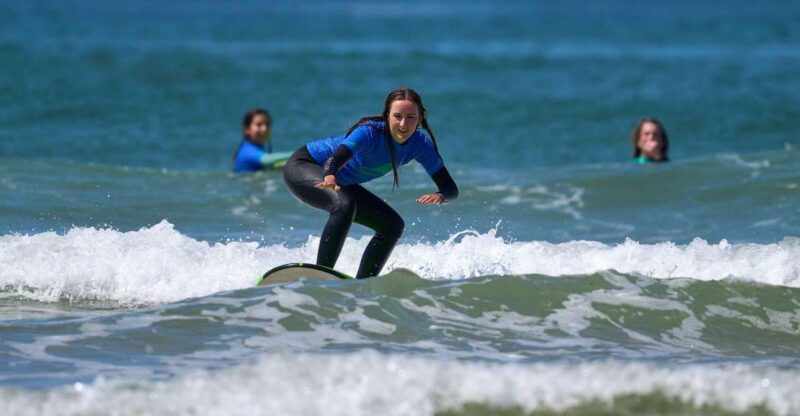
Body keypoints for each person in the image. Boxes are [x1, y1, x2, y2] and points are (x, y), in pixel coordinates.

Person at [283, 87, 458, 279]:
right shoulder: (369, 132)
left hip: (338, 181)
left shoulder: (420, 144)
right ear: (387, 116)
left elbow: (450, 189)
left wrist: (440, 196)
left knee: (392, 225)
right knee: (345, 204)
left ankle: (363, 284)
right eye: (397, 116)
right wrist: (330, 176)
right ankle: (321, 274)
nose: (403, 124)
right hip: (304, 166)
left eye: (411, 117)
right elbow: (336, 158)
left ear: (420, 118)